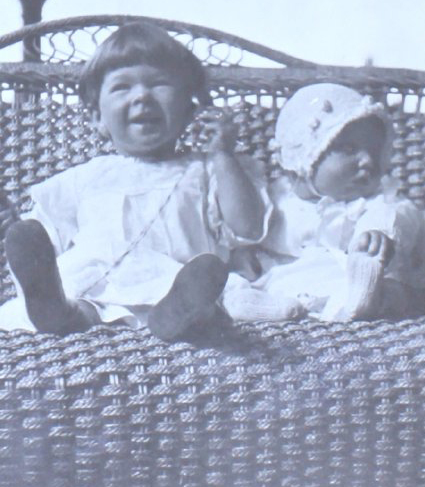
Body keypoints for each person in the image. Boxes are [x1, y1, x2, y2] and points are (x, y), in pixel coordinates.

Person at [0, 22, 271, 341]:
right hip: (101, 286)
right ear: (97, 118)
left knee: (205, 295)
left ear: (189, 111)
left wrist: (223, 155)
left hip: (180, 283)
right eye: (122, 87)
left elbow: (248, 229)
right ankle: (58, 311)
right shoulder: (85, 179)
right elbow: (43, 240)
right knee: (84, 303)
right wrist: (33, 262)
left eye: (159, 85)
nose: (142, 96)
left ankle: (182, 316)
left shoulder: (207, 170)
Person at [223, 83, 425, 322]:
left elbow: (400, 217)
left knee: (394, 291)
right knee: (236, 280)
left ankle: (363, 299)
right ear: (306, 158)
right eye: (349, 150)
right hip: (289, 281)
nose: (367, 161)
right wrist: (242, 252)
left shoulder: (377, 201)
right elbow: (251, 229)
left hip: (357, 273)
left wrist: (378, 236)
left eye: (374, 151)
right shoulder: (275, 200)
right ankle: (253, 306)